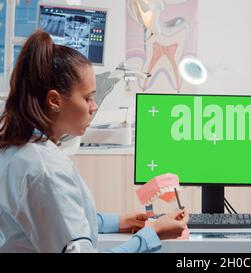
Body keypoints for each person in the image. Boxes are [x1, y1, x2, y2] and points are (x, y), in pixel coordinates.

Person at [0, 30, 189, 253]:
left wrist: (119, 221)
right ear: (54, 100)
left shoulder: (14, 150)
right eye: (87, 97)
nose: (94, 106)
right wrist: (151, 234)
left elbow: (54, 218)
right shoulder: (46, 170)